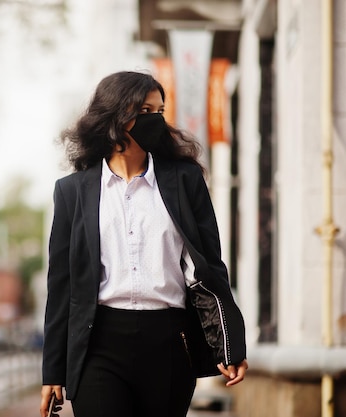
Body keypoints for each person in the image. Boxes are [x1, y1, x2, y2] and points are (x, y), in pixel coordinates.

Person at [40, 71, 248, 417]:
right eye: (144, 110)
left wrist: (229, 343)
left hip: (167, 344)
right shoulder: (72, 191)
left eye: (159, 111)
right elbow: (61, 284)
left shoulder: (185, 181)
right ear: (115, 116)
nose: (155, 120)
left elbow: (209, 267)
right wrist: (52, 371)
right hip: (98, 346)